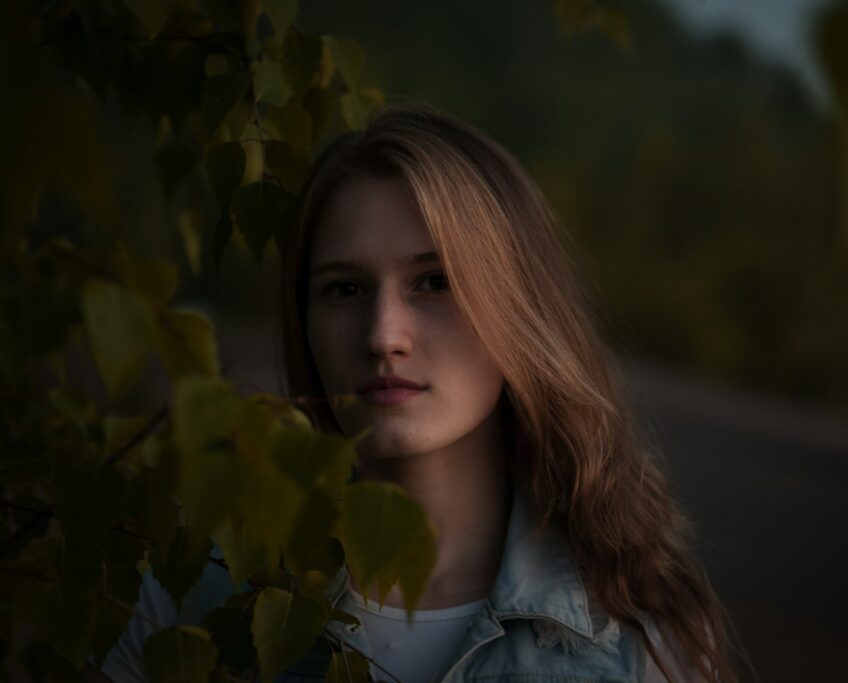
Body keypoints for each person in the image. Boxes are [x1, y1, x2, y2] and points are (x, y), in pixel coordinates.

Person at [99, 106, 740, 683]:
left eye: (434, 281)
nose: (383, 337)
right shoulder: (201, 587)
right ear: (304, 322)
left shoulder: (637, 630)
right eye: (344, 289)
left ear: (521, 308)